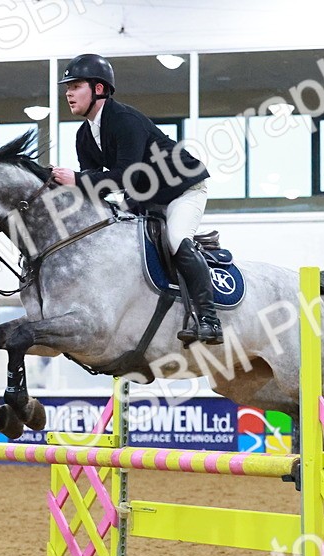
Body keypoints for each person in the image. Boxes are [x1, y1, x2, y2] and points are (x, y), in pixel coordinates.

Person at [50, 54, 221, 346]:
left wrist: (76, 179)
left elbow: (124, 176)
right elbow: (96, 187)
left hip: (183, 188)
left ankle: (210, 319)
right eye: (68, 87)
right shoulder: (84, 135)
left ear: (99, 89)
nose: (68, 93)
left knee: (176, 240)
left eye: (76, 86)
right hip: (145, 196)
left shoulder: (124, 120)